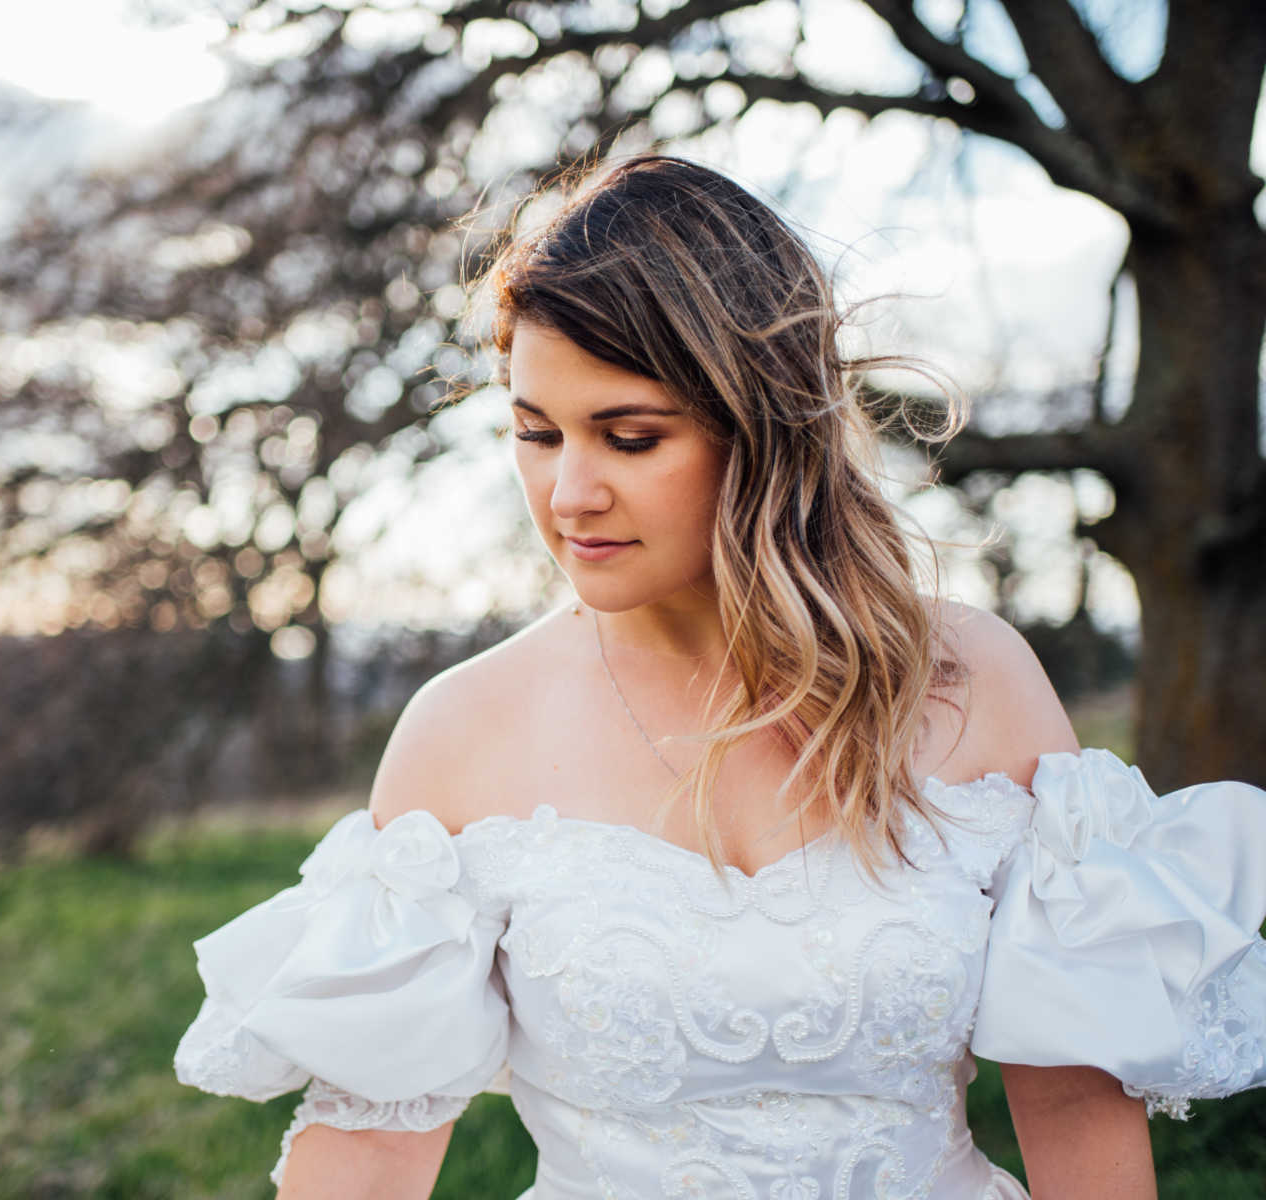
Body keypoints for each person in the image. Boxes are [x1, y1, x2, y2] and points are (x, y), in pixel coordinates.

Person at [173, 154, 1266, 1199]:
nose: (568, 494)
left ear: (763, 428)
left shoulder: (971, 682)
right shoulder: (461, 732)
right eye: (536, 433)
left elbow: (1072, 1104)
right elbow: (366, 1150)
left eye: (630, 437)